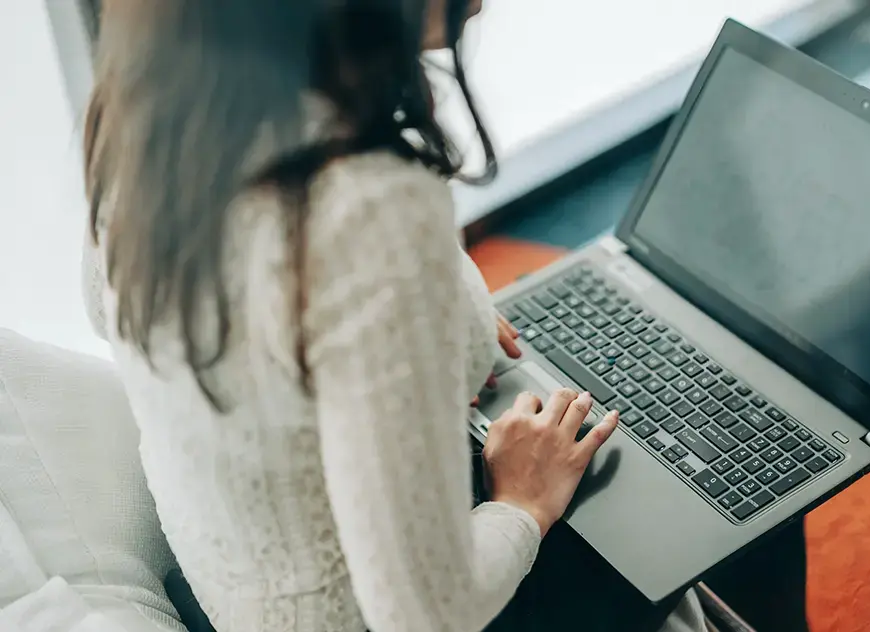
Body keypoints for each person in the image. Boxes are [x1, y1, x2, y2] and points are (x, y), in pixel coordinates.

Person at [79, 1, 708, 631]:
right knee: (681, 520)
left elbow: (112, 313)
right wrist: (521, 503)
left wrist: (412, 322)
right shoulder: (372, 205)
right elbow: (424, 616)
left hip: (216, 585)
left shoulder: (155, 108)